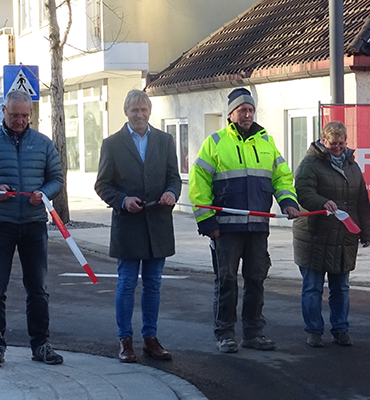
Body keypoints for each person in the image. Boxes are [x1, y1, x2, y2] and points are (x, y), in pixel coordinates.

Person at [189, 87, 300, 353]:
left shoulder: (266, 142)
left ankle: (253, 333)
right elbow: (199, 184)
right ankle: (225, 334)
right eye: (242, 110)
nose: (247, 114)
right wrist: (207, 221)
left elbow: (282, 177)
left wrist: (288, 201)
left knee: (256, 280)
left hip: (258, 227)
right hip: (225, 229)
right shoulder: (215, 142)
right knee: (226, 281)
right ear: (231, 114)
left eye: (250, 110)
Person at [0, 89, 65, 367]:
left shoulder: (43, 144)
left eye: (24, 115)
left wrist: (43, 193)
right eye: (14, 115)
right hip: (0, 224)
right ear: (4, 113)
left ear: (30, 114)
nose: (20, 120)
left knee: (38, 288)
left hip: (33, 225)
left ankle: (41, 344)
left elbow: (56, 178)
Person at [94, 89, 181, 363]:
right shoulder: (112, 144)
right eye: (135, 110)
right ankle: (125, 340)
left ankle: (151, 339)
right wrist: (122, 200)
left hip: (158, 224)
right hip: (128, 226)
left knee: (154, 284)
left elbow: (174, 178)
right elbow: (102, 185)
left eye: (144, 110)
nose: (140, 115)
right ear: (126, 112)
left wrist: (172, 193)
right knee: (127, 284)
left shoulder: (165, 141)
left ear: (150, 111)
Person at [293, 121, 370, 348]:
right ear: (323, 141)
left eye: (341, 144)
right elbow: (302, 191)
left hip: (344, 237)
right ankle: (314, 331)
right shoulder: (309, 164)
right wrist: (322, 202)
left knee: (341, 288)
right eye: (332, 144)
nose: (337, 148)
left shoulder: (353, 166)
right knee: (313, 288)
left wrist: (367, 232)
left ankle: (340, 329)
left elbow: (361, 202)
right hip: (314, 236)